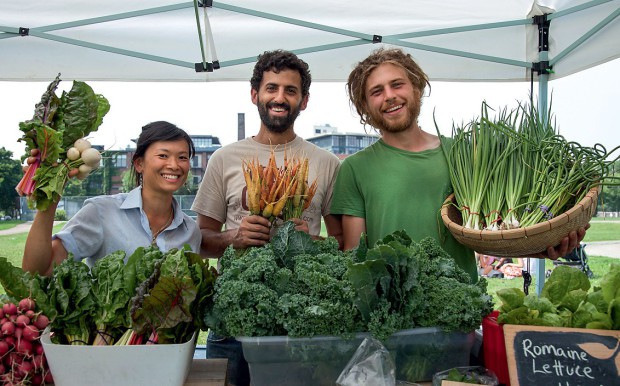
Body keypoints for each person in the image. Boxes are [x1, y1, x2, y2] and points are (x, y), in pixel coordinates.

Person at [330, 47, 586, 283]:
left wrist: (542, 245)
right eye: (377, 91)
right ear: (365, 106)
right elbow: (355, 254)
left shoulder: (464, 153)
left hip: (459, 300)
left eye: (397, 84)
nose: (389, 96)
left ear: (416, 88)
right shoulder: (355, 168)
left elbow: (495, 228)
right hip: (393, 310)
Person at [190, 49, 342, 386]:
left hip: (300, 317)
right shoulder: (224, 159)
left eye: (291, 90)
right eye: (271, 88)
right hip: (233, 315)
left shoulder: (325, 162)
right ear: (255, 94)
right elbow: (201, 240)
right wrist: (235, 237)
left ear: (303, 101)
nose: (280, 97)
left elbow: (342, 243)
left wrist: (311, 242)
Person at [22, 121, 202, 276]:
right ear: (139, 163)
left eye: (182, 158)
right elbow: (40, 271)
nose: (174, 165)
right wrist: (49, 199)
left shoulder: (190, 231)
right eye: (163, 155)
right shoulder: (101, 212)